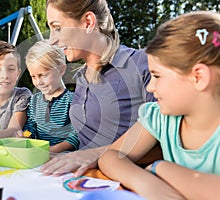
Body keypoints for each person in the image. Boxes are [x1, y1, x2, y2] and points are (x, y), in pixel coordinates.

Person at [98, 11, 220, 200]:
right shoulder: (160, 117)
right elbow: (111, 156)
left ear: (199, 77)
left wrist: (162, 168)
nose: (150, 87)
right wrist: (144, 181)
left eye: (157, 76)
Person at [41, 0, 155, 177]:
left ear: (88, 22)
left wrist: (97, 154)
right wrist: (52, 152)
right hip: (81, 180)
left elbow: (169, 145)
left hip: (128, 184)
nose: (52, 40)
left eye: (57, 28)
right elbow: (87, 137)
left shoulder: (142, 64)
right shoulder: (81, 77)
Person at [23, 39, 79, 153]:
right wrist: (25, 136)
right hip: (38, 153)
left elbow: (76, 135)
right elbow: (31, 126)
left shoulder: (72, 100)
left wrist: (52, 150)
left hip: (64, 154)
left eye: (42, 75)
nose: (38, 82)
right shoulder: (34, 101)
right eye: (33, 76)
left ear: (61, 69)